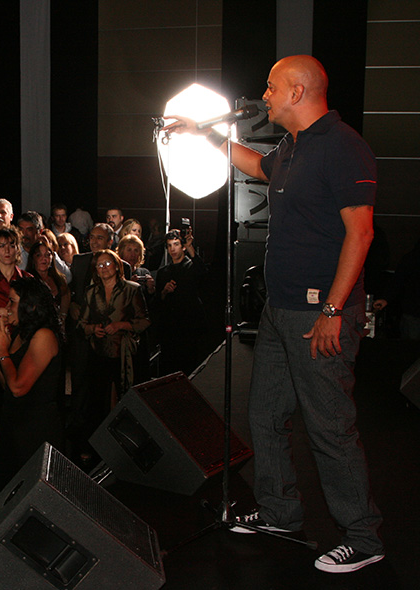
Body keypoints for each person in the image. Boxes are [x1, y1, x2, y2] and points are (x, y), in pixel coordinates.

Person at [164, 54, 383, 573]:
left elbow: (361, 233)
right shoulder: (292, 146)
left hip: (318, 314)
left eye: (271, 87)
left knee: (329, 429)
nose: (264, 96)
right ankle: (281, 512)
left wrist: (333, 310)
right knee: (264, 415)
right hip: (279, 311)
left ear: (298, 92)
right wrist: (204, 133)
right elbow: (257, 166)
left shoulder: (342, 146)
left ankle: (363, 537)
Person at [0, 277, 64, 494]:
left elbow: (18, 388)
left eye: (12, 301)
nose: (7, 307)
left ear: (31, 306)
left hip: (34, 432)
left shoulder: (44, 336)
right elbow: (6, 384)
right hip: (13, 426)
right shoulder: (21, 333)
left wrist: (3, 350)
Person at [76, 250, 149, 442]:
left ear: (117, 265)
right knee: (97, 402)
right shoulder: (91, 292)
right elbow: (81, 324)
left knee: (123, 399)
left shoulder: (132, 290)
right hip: (98, 354)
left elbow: (144, 322)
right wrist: (93, 329)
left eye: (107, 263)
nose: (104, 268)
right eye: (99, 265)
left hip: (124, 355)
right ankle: (99, 443)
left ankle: (126, 441)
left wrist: (121, 325)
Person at [155, 229, 207, 376]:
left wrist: (190, 248)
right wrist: (164, 291)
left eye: (176, 244)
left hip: (189, 326)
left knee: (188, 367)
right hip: (170, 328)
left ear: (182, 246)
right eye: (170, 245)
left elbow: (203, 273)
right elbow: (158, 301)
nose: (173, 249)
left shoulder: (191, 267)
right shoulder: (163, 272)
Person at [26, 240, 70, 320]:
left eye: (47, 255)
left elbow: (65, 295)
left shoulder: (59, 279)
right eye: (39, 255)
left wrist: (63, 316)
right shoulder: (27, 281)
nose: (44, 259)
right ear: (33, 258)